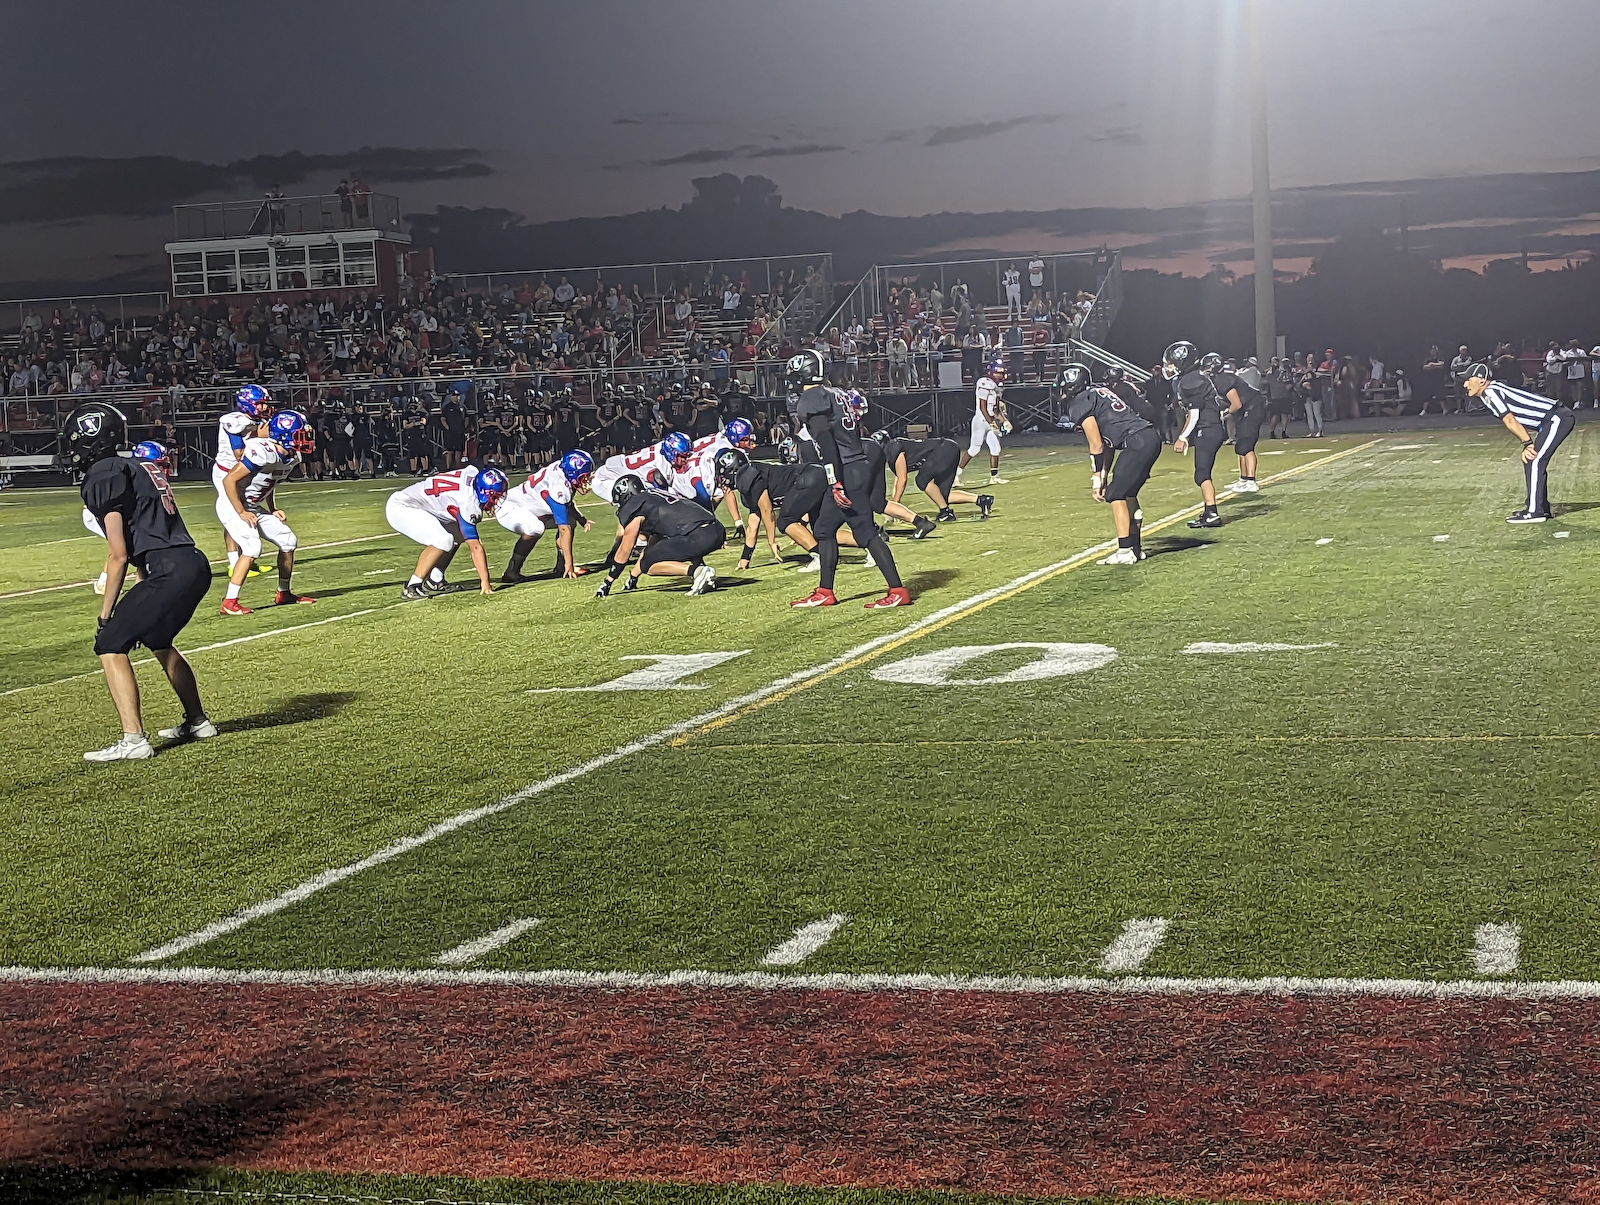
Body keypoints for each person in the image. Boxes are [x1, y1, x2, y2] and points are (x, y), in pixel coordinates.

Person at [70, 403, 213, 761]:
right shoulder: (138, 466)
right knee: (158, 639)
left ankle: (133, 740)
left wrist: (106, 616)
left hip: (168, 569)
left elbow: (118, 554)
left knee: (109, 644)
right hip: (193, 562)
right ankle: (197, 721)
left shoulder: (104, 473)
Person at [788, 350, 911, 609]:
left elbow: (826, 443)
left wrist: (834, 481)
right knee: (824, 529)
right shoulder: (836, 393)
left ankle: (897, 590)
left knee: (865, 531)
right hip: (856, 463)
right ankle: (825, 591)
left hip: (846, 469)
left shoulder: (812, 398)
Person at [216, 410, 318, 616]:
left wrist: (272, 508)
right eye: (300, 434)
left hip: (252, 505)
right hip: (233, 503)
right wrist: (241, 511)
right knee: (252, 547)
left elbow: (270, 483)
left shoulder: (292, 456)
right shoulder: (262, 451)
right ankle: (229, 601)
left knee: (288, 541)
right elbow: (229, 480)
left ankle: (284, 593)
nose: (305, 438)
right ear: (284, 435)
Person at [1057, 365, 1161, 565]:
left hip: (1137, 441)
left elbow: (1096, 445)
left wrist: (1097, 478)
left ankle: (1125, 551)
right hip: (1148, 437)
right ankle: (1136, 548)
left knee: (1115, 494)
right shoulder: (1098, 393)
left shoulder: (1080, 402)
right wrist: (1104, 474)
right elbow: (1108, 446)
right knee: (1128, 493)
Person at [1462, 363, 1576, 523]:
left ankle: (1535, 512)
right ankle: (1539, 507)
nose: (1465, 384)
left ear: (1481, 380)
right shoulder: (1492, 390)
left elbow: (1509, 420)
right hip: (1550, 420)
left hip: (1556, 418)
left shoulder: (1490, 392)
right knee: (1531, 461)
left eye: (1469, 379)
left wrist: (1527, 444)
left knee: (1534, 460)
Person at [386, 464, 509, 599]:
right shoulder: (468, 501)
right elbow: (475, 547)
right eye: (494, 497)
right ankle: (412, 586)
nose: (496, 501)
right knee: (443, 540)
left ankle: (435, 580)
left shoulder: (472, 474)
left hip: (420, 505)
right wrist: (485, 583)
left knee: (458, 533)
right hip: (402, 507)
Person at [592, 474, 723, 598]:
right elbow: (651, 548)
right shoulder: (654, 499)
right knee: (656, 555)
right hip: (715, 530)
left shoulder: (636, 506)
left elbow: (625, 549)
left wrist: (608, 581)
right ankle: (704, 576)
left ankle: (698, 572)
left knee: (649, 565)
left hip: (699, 535)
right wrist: (633, 577)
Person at [496, 449, 597, 583]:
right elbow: (563, 529)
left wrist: (581, 518)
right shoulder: (558, 486)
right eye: (584, 476)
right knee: (535, 528)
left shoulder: (562, 471)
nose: (587, 479)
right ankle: (512, 571)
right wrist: (570, 564)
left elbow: (567, 504)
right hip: (510, 507)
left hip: (526, 506)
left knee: (570, 520)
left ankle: (561, 567)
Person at [1164, 341, 1227, 529]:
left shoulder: (1190, 381)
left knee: (1202, 473)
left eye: (1172, 363)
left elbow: (1195, 413)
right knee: (1202, 472)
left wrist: (1182, 437)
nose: (1169, 368)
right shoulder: (1193, 377)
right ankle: (1210, 512)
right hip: (1211, 428)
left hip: (1207, 429)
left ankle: (1212, 513)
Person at [214, 384, 273, 573]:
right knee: (233, 515)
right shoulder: (234, 421)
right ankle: (233, 562)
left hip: (244, 472)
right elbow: (239, 454)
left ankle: (247, 559)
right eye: (260, 403)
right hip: (227, 473)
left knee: (246, 511)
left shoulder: (254, 420)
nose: (264, 407)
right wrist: (259, 437)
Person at [878, 431, 993, 521]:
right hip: (949, 448)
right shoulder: (893, 450)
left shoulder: (892, 448)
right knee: (941, 496)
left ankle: (945, 512)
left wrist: (896, 506)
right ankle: (982, 500)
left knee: (922, 481)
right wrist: (893, 503)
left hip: (944, 449)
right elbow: (898, 479)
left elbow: (902, 480)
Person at [957, 356, 1010, 487]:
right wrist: (991, 423)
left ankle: (994, 477)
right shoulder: (984, 383)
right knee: (974, 449)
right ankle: (956, 476)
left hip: (990, 419)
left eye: (1001, 372)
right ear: (990, 372)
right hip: (981, 420)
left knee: (996, 448)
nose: (1000, 375)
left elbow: (996, 409)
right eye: (997, 372)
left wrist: (1004, 421)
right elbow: (982, 407)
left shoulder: (997, 386)